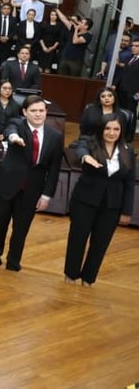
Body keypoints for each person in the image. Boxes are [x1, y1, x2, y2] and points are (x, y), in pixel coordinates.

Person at [0, 95, 64, 271]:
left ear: (46, 112)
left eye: (41, 111)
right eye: (33, 111)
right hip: (5, 186)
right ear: (25, 112)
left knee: (21, 228)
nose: (38, 114)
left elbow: (54, 169)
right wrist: (13, 137)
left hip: (31, 191)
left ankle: (14, 261)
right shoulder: (17, 125)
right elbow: (10, 130)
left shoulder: (55, 136)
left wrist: (46, 194)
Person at [64, 115, 135, 286]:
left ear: (121, 131)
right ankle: (71, 275)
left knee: (100, 243)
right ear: (101, 129)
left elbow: (129, 183)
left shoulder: (128, 150)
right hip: (85, 201)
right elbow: (80, 151)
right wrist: (86, 158)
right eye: (108, 128)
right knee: (77, 239)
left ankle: (88, 278)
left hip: (112, 205)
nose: (112, 132)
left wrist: (127, 211)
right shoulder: (88, 142)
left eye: (116, 129)